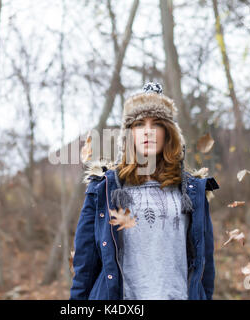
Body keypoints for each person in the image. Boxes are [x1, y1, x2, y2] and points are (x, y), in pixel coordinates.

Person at [70, 82, 219, 300]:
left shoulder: (192, 190)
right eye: (139, 124)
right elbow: (86, 263)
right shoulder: (103, 188)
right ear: (129, 134)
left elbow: (205, 265)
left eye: (156, 124)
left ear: (168, 133)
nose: (148, 132)